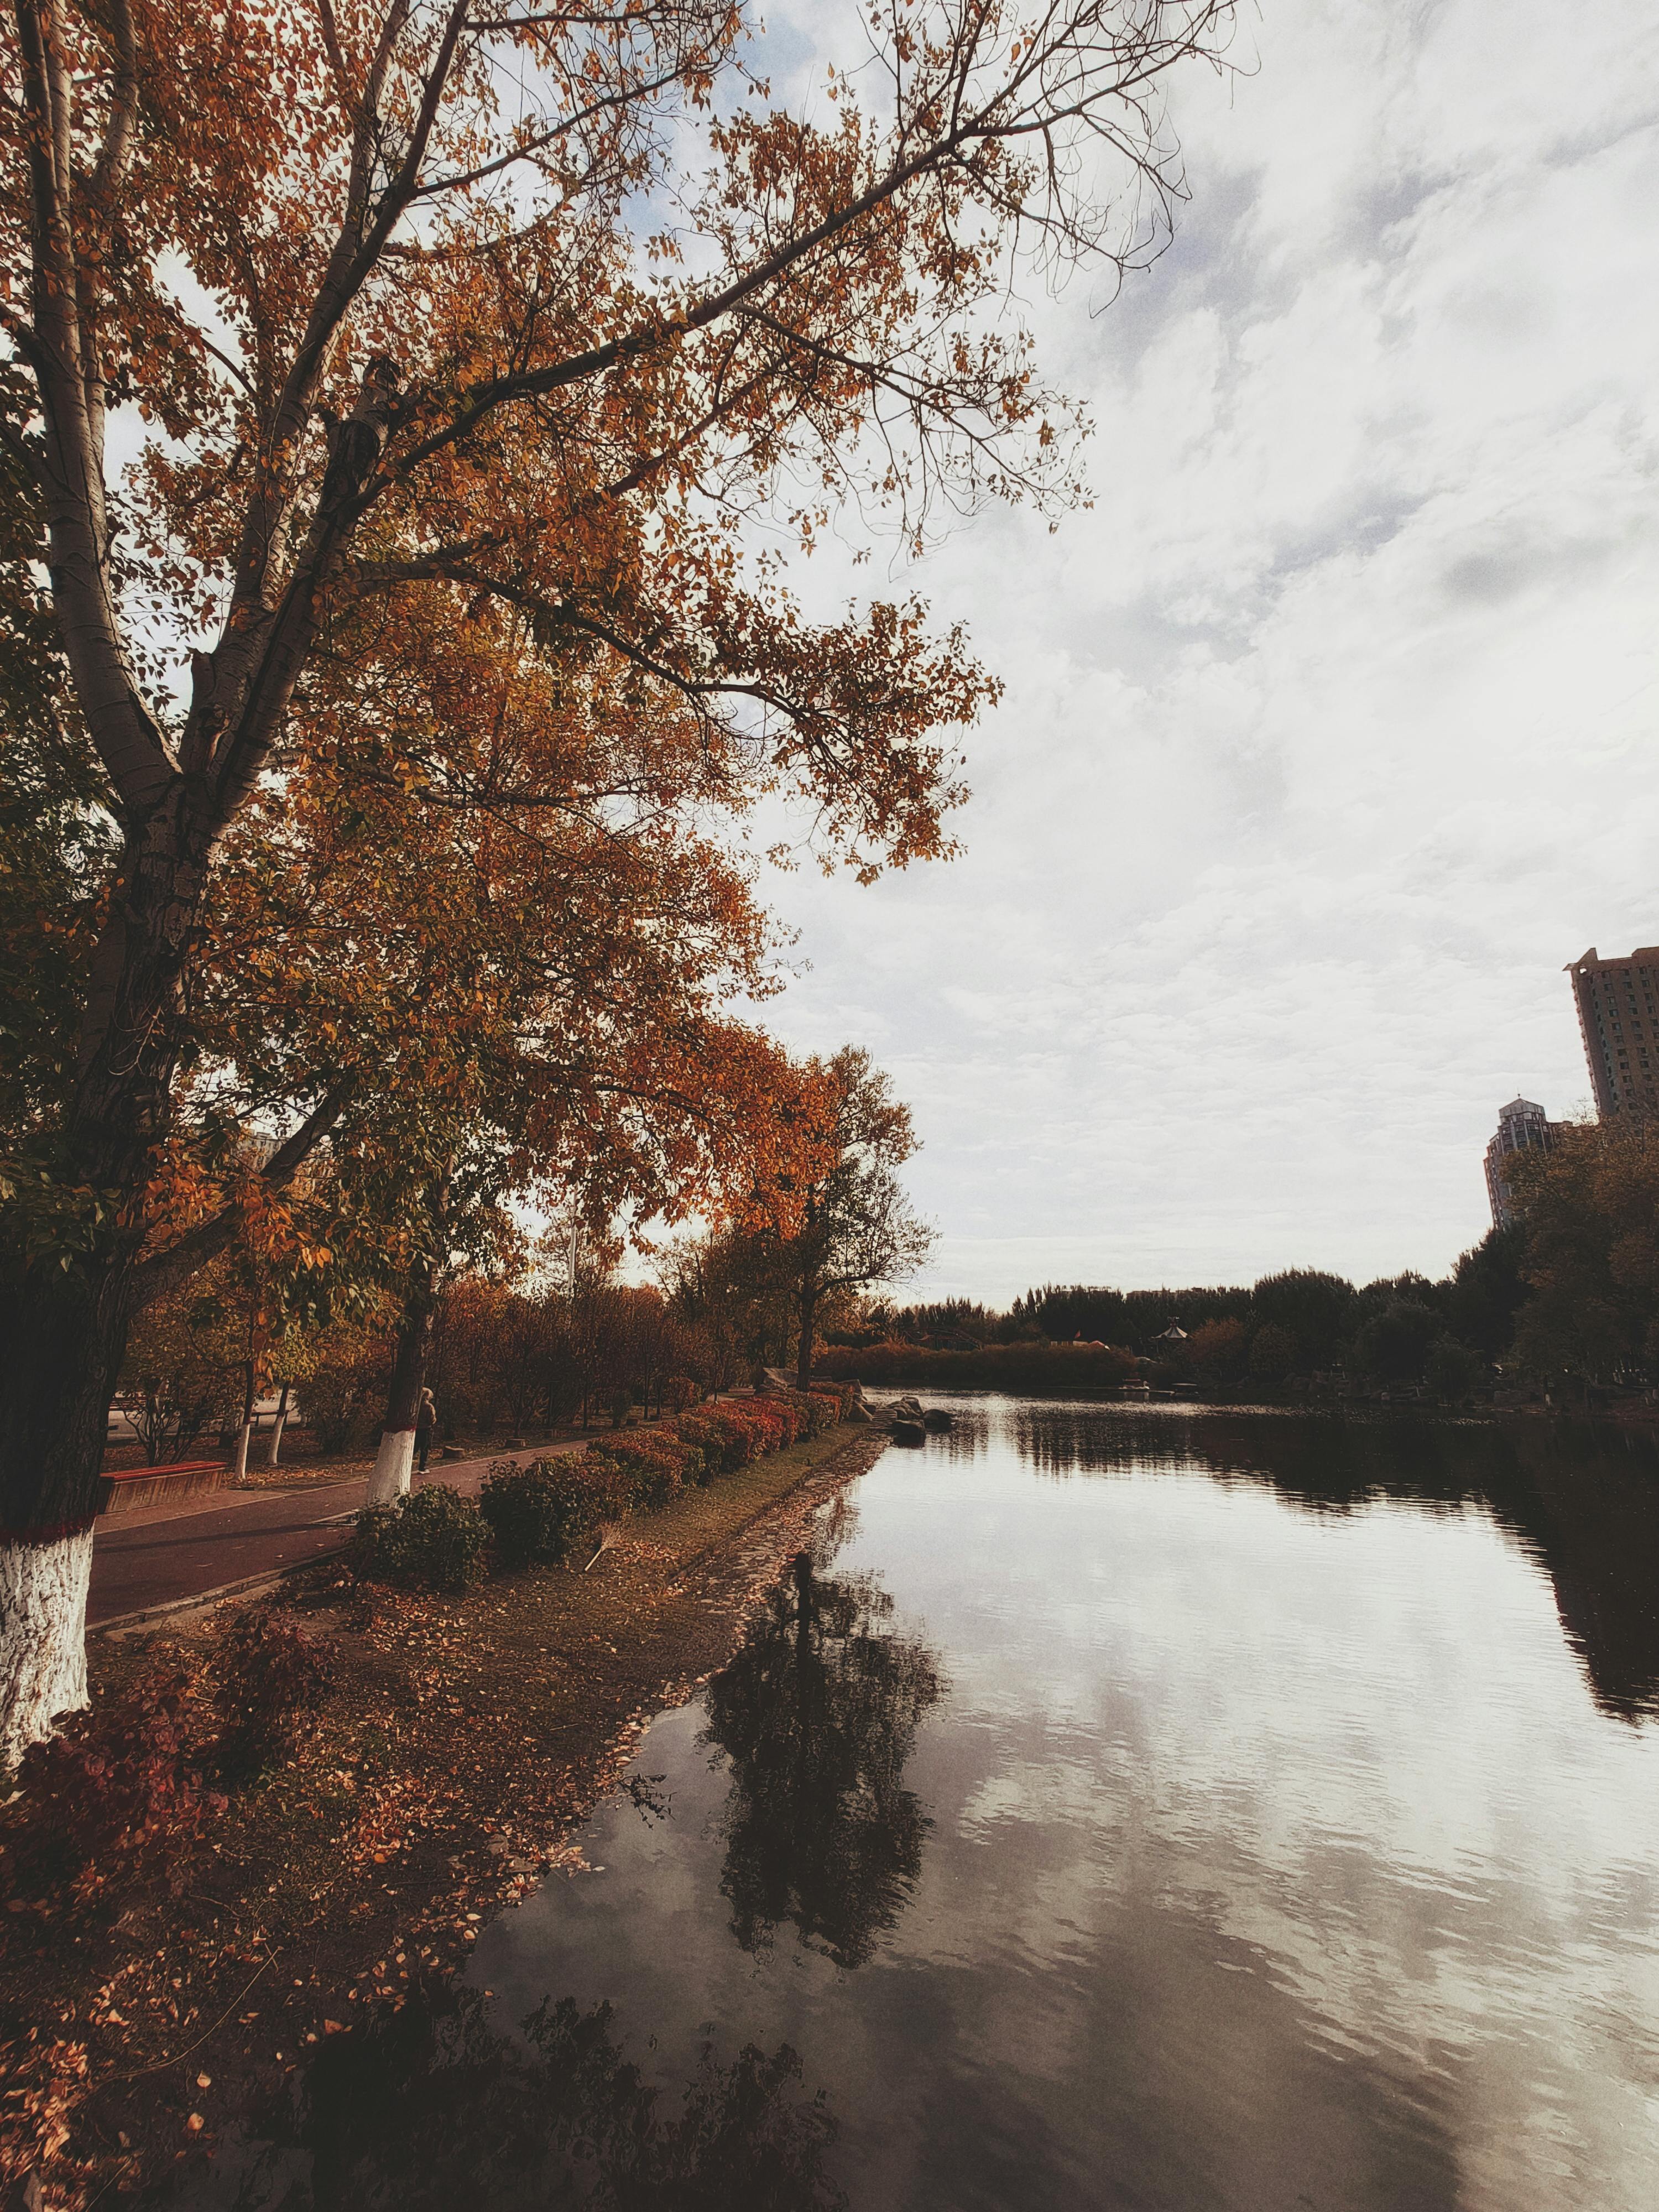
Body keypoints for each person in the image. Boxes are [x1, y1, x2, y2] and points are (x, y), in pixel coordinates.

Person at [415, 1387, 438, 1474]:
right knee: (425, 1448)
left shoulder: (417, 1405)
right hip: (426, 1429)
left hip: (417, 1428)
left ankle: (408, 1464)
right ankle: (422, 1467)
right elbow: (432, 1419)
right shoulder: (429, 1407)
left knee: (415, 1448)